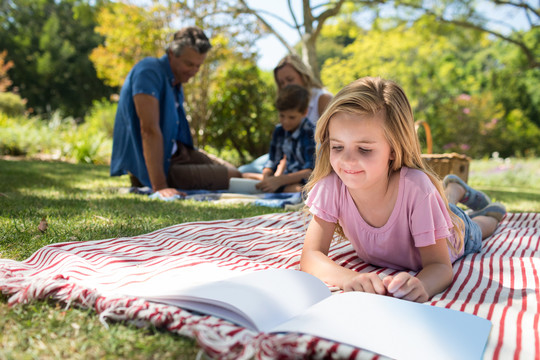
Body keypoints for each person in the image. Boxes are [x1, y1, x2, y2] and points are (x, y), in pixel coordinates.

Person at [300, 76, 506, 303]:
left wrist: (423, 285)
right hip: (430, 209)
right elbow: (311, 255)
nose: (347, 161)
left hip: (455, 232)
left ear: (393, 149)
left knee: (475, 225)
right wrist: (348, 278)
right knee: (443, 204)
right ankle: (453, 188)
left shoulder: (417, 188)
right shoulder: (332, 185)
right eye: (338, 146)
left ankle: (490, 210)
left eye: (364, 149)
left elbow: (439, 266)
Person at [110, 26, 241, 198]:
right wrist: (160, 187)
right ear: (172, 53)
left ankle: (275, 180)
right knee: (233, 177)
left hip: (179, 154)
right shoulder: (149, 71)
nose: (194, 71)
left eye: (198, 66)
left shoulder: (176, 82)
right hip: (158, 167)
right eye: (189, 64)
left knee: (233, 170)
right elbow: (149, 130)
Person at [238, 54, 332, 174]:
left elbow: (331, 143)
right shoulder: (286, 103)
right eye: (281, 83)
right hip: (287, 157)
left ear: (303, 76)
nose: (286, 86)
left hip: (311, 161)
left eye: (290, 79)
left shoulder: (322, 98)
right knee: (243, 170)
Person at [248, 84, 316, 193]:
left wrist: (280, 180)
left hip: (303, 182)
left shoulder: (309, 132)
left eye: (291, 117)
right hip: (285, 179)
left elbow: (311, 171)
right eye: (281, 116)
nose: (285, 121)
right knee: (244, 176)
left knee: (301, 190)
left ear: (304, 112)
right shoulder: (279, 131)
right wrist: (267, 176)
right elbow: (272, 160)